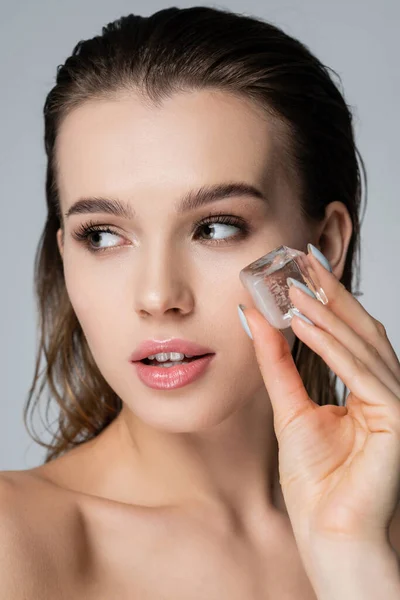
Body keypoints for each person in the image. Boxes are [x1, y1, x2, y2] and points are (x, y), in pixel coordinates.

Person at [1, 5, 400, 599]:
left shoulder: (377, 536)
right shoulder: (16, 541)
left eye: (215, 228)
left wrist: (352, 556)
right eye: (103, 235)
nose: (159, 296)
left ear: (323, 246)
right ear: (65, 256)